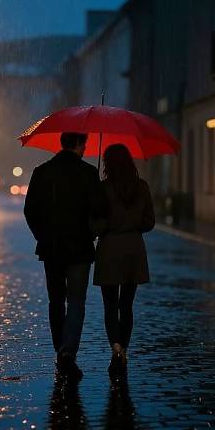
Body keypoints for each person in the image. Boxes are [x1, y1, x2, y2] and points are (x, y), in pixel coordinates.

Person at [24, 132, 106, 379]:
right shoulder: (89, 173)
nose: (85, 150)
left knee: (56, 300)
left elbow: (30, 210)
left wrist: (43, 235)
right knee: (77, 301)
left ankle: (59, 348)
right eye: (84, 145)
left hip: (52, 248)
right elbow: (99, 211)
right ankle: (68, 351)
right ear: (79, 144)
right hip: (80, 248)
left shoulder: (42, 171)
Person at [92, 144, 155, 378]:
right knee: (126, 305)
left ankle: (115, 348)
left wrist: (103, 226)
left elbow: (96, 225)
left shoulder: (103, 188)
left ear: (107, 163)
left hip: (109, 249)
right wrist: (133, 224)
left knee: (110, 305)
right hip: (133, 250)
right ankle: (124, 350)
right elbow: (149, 222)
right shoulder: (142, 187)